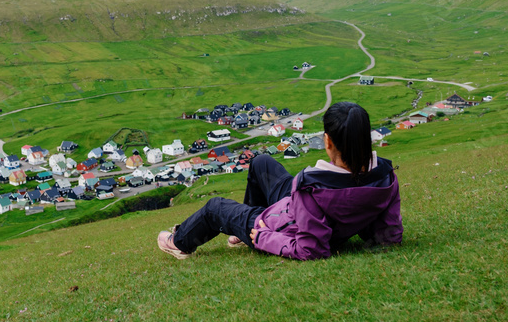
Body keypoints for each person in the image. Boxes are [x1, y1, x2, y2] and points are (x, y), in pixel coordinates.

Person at [157, 101, 402, 260]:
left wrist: (263, 237)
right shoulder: (385, 176)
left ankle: (179, 242)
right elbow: (389, 235)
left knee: (214, 208)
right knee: (261, 162)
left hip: (275, 226)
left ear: (327, 141)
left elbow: (311, 249)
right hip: (301, 207)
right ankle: (241, 234)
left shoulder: (312, 187)